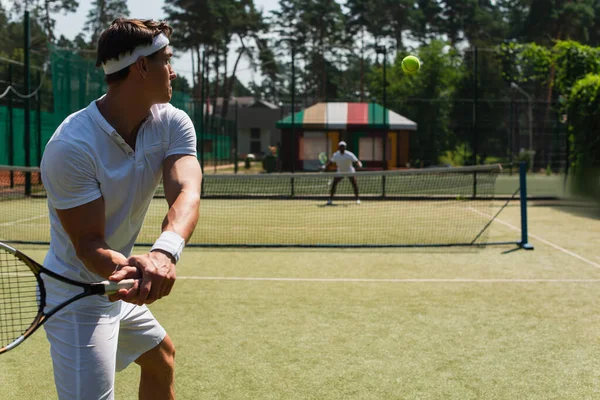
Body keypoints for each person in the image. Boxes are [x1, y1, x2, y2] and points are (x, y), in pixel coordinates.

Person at [39, 18, 202, 400]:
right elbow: (88, 243)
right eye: (166, 60)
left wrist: (163, 253)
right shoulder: (71, 146)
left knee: (161, 359)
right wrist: (131, 268)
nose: (173, 71)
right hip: (76, 296)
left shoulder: (172, 122)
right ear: (142, 67)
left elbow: (187, 190)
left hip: (117, 285)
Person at [322, 141, 363, 205]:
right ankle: (330, 200)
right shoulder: (336, 155)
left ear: (345, 147)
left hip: (350, 171)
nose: (342, 148)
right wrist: (325, 166)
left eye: (343, 146)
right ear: (339, 147)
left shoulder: (350, 154)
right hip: (340, 171)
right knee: (334, 185)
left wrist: (359, 164)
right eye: (341, 146)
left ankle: (358, 199)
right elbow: (330, 162)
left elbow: (356, 161)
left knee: (354, 185)